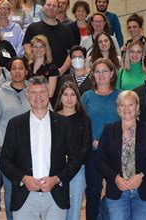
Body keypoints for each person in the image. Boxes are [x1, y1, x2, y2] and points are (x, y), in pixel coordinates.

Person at [0, 76, 81, 220]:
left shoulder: (64, 124)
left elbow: (76, 158)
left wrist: (56, 179)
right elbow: (5, 160)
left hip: (55, 194)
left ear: (49, 94)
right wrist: (24, 178)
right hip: (25, 195)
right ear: (27, 95)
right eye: (33, 92)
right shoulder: (16, 124)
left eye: (42, 92)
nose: (38, 97)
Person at [96, 90, 146, 220]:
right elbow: (99, 160)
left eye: (130, 105)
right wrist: (115, 178)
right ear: (118, 108)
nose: (126, 108)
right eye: (122, 105)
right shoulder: (109, 130)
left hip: (143, 190)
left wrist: (141, 176)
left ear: (137, 107)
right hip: (117, 191)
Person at [0, 57, 31, 220]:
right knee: (10, 189)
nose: (18, 71)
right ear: (9, 72)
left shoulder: (34, 90)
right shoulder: (0, 93)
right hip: (8, 151)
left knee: (30, 188)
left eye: (21, 68)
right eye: (14, 68)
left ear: (26, 71)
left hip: (31, 150)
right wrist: (1, 146)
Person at [81, 58, 121, 220]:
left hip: (116, 151)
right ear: (93, 75)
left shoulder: (121, 95)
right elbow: (81, 125)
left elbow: (127, 121)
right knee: (93, 191)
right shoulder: (87, 96)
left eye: (105, 71)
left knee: (116, 191)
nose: (101, 75)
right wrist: (91, 141)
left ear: (112, 73)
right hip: (94, 151)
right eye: (97, 71)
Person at [54, 81, 92, 220]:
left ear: (77, 97)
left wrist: (73, 164)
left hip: (77, 169)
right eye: (65, 94)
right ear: (60, 97)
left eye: (73, 94)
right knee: (57, 208)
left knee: (74, 208)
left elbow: (85, 146)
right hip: (56, 170)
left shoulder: (84, 119)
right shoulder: (53, 118)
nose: (69, 98)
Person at [24, 0, 76, 75]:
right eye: (48, 5)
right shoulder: (32, 28)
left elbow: (71, 53)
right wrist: (36, 66)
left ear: (58, 9)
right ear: (43, 7)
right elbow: (27, 48)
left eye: (54, 6)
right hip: (38, 74)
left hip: (60, 75)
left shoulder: (66, 30)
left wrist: (61, 71)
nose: (51, 8)